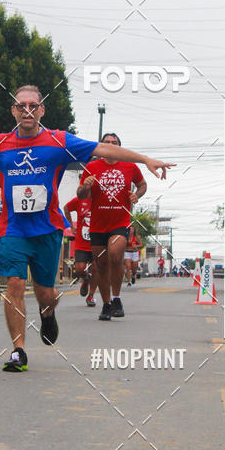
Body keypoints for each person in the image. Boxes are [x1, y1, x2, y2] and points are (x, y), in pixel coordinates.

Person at [0, 86, 173, 371]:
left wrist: (145, 159)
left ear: (41, 110)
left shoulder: (58, 141)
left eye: (33, 106)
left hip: (48, 231)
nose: (27, 111)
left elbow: (104, 149)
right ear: (14, 110)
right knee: (14, 283)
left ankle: (47, 315)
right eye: (21, 106)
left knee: (45, 293)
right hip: (13, 231)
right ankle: (18, 351)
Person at [78, 132, 147, 321]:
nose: (110, 144)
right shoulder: (92, 167)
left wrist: (137, 196)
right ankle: (107, 304)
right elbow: (81, 195)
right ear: (101, 147)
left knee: (116, 255)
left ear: (119, 146)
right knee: (101, 265)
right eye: (106, 142)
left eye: (114, 142)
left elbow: (142, 185)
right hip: (98, 224)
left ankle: (117, 298)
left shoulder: (130, 166)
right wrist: (85, 185)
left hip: (120, 222)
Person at [63, 192, 99, 306]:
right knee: (79, 269)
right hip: (81, 242)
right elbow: (66, 208)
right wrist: (71, 226)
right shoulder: (80, 199)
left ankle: (91, 296)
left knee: (95, 268)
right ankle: (86, 279)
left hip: (97, 242)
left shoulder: (103, 201)